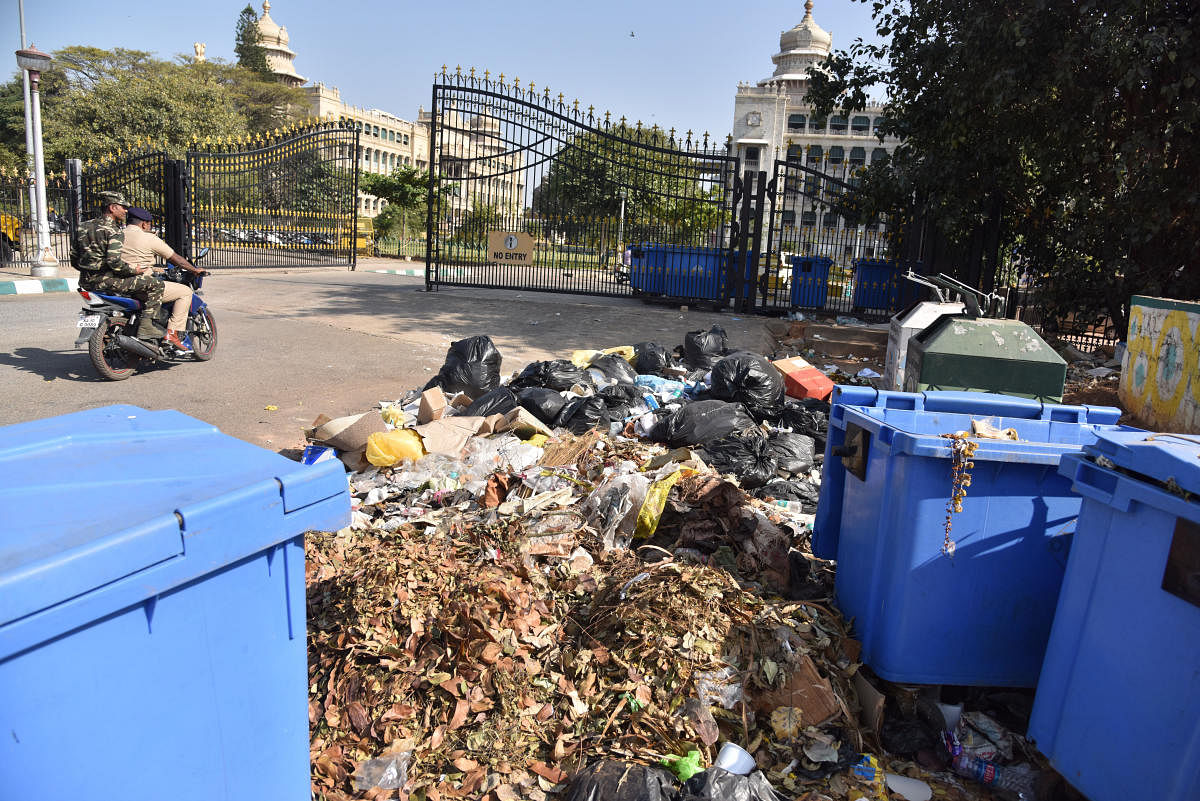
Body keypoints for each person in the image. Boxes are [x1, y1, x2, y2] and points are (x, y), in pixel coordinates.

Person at [73, 191, 164, 341]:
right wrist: (134, 269)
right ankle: (147, 326)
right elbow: (114, 262)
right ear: (112, 208)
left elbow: (74, 259)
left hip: (85, 281)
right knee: (156, 284)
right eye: (123, 207)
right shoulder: (114, 231)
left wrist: (89, 270)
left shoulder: (82, 226)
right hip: (108, 281)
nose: (126, 211)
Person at [122, 207, 204, 352]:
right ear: (144, 224)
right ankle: (172, 334)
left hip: (119, 285)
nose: (150, 227)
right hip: (142, 285)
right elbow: (176, 259)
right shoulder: (148, 238)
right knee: (185, 292)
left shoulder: (116, 236)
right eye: (149, 224)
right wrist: (195, 270)